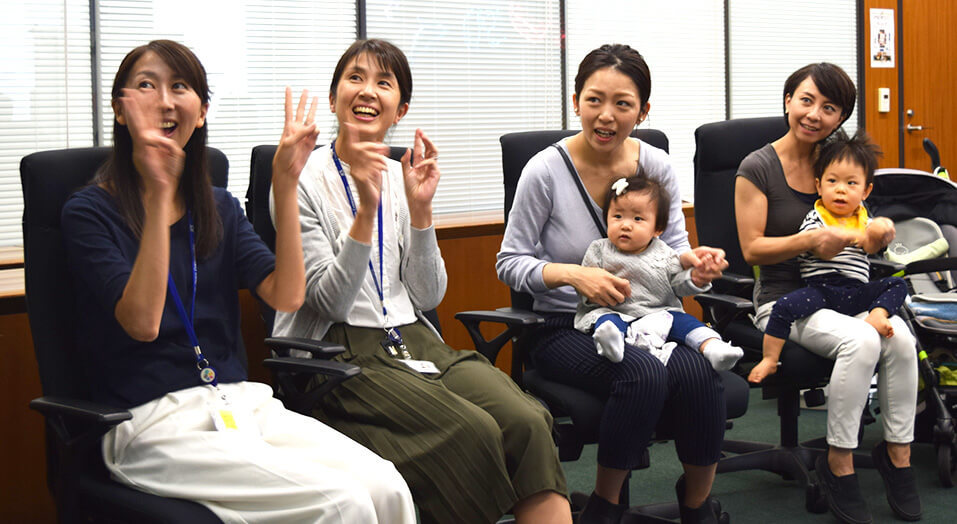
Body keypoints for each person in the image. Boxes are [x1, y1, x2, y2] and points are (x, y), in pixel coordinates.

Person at [61, 39, 415, 523]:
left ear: (201, 112)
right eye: (146, 85)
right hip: (148, 422)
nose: (165, 101)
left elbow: (288, 295)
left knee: (386, 485)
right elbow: (143, 323)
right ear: (120, 110)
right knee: (341, 503)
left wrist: (284, 184)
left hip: (238, 403)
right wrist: (160, 194)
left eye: (180, 87)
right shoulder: (88, 212)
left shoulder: (218, 206)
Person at [271, 39, 570, 524]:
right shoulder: (298, 178)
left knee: (527, 419)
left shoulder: (401, 175)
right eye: (355, 78)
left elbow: (428, 295)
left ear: (400, 109)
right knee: (470, 432)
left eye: (383, 83)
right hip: (336, 353)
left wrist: (422, 211)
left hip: (412, 339)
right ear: (333, 98)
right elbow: (329, 302)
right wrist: (365, 215)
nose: (368, 91)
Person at [497, 43, 730, 524]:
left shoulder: (656, 166)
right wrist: (571, 274)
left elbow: (673, 257)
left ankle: (696, 505)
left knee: (701, 373)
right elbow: (509, 262)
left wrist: (696, 272)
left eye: (623, 103)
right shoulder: (544, 171)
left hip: (652, 320)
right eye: (594, 100)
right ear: (576, 101)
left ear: (642, 111)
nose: (606, 115)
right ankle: (604, 507)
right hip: (566, 325)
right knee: (640, 372)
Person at [735, 63, 921, 523]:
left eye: (829, 107)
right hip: (783, 301)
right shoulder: (757, 167)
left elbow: (863, 233)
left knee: (902, 339)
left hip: (845, 294)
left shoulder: (839, 162)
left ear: (840, 118)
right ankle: (839, 463)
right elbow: (751, 248)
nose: (814, 114)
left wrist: (880, 233)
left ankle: (898, 455)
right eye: (806, 100)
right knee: (862, 340)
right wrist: (810, 241)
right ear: (788, 101)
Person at [749, 130, 908, 385]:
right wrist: (848, 235)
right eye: (832, 181)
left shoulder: (864, 218)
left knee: (898, 283)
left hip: (857, 292)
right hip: (822, 290)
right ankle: (770, 358)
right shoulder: (816, 217)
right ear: (818, 185)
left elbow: (870, 244)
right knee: (784, 307)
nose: (841, 190)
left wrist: (881, 230)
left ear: (866, 190)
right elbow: (816, 243)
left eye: (851, 183)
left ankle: (878, 314)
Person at [575, 175, 743, 371]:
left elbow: (678, 285)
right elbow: (586, 286)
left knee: (686, 322)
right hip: (615, 311)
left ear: (657, 229)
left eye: (638, 219)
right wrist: (599, 291)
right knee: (606, 322)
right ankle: (611, 344)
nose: (625, 225)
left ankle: (714, 348)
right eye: (617, 216)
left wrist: (694, 279)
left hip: (659, 313)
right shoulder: (599, 250)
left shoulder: (665, 253)